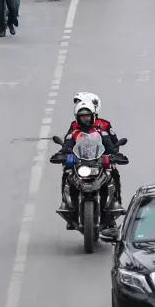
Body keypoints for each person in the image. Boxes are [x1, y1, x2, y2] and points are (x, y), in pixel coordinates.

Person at [52, 93, 125, 221]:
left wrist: (114, 156)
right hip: (80, 162)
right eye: (82, 116)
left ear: (93, 114)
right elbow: (67, 147)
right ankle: (66, 204)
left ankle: (116, 202)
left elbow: (111, 147)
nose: (85, 118)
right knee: (67, 174)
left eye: (87, 115)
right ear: (77, 116)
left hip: (98, 162)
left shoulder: (102, 130)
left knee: (113, 173)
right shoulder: (74, 131)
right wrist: (61, 156)